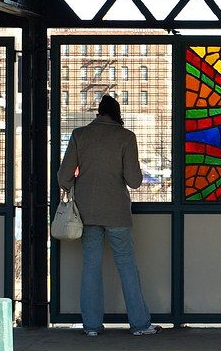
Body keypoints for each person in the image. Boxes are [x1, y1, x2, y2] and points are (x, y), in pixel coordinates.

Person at [58, 94, 160, 337]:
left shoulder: (79, 135)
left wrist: (78, 184)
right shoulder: (126, 137)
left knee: (90, 268)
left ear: (98, 112)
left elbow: (63, 177)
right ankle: (139, 324)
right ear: (117, 114)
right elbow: (134, 181)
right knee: (126, 267)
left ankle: (91, 326)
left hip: (86, 213)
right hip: (117, 213)